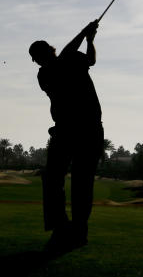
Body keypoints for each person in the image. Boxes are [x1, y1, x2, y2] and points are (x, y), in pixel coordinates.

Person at [29, 20, 104, 251]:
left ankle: (78, 231)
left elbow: (90, 60)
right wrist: (84, 33)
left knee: (82, 183)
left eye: (41, 54)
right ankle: (61, 229)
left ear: (48, 51)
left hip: (88, 130)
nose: (40, 60)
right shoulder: (46, 74)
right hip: (65, 131)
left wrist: (90, 40)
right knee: (53, 179)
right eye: (37, 58)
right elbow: (65, 57)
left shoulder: (70, 60)